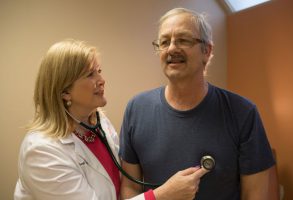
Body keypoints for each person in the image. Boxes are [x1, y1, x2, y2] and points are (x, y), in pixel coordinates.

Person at [14, 39, 209, 200]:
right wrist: (162, 195)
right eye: (90, 74)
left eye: (99, 70)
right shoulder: (41, 151)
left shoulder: (98, 122)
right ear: (64, 91)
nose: (101, 80)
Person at [119, 8, 275, 200]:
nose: (172, 49)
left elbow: (255, 194)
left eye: (183, 40)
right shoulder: (136, 110)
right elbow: (130, 189)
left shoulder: (243, 113)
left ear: (207, 51)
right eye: (164, 42)